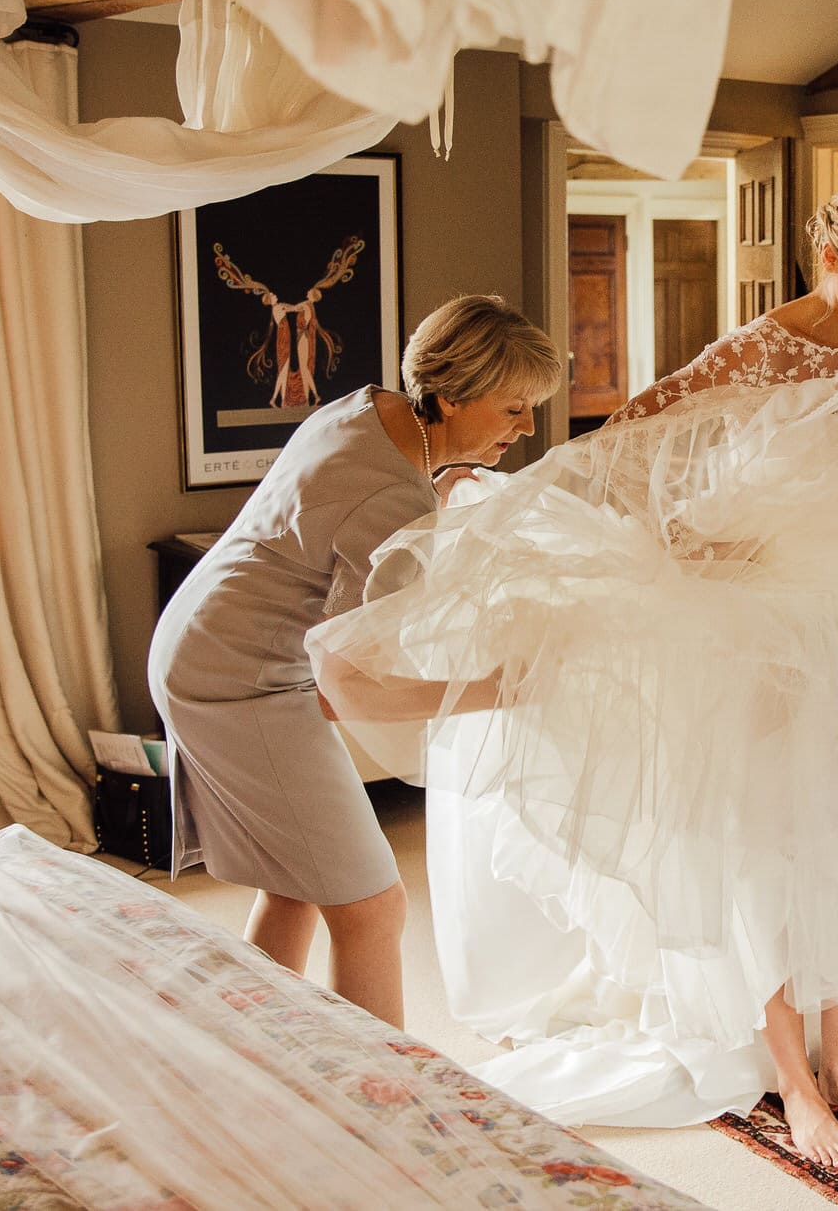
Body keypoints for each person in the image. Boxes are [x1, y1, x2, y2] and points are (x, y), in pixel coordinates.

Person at [308, 170, 838, 1171]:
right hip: (780, 633)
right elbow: (627, 443)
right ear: (827, 260)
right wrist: (707, 546)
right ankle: (797, 1085)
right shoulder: (756, 348)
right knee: (776, 853)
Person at [149, 294, 562, 1028]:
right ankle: (383, 1108)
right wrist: (502, 687)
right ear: (452, 394)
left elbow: (340, 509)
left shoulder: (368, 411)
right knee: (374, 903)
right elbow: (353, 689)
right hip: (239, 682)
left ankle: (255, 1052)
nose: (527, 428)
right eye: (513, 408)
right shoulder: (390, 499)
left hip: (202, 644)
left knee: (298, 882)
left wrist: (439, 482)